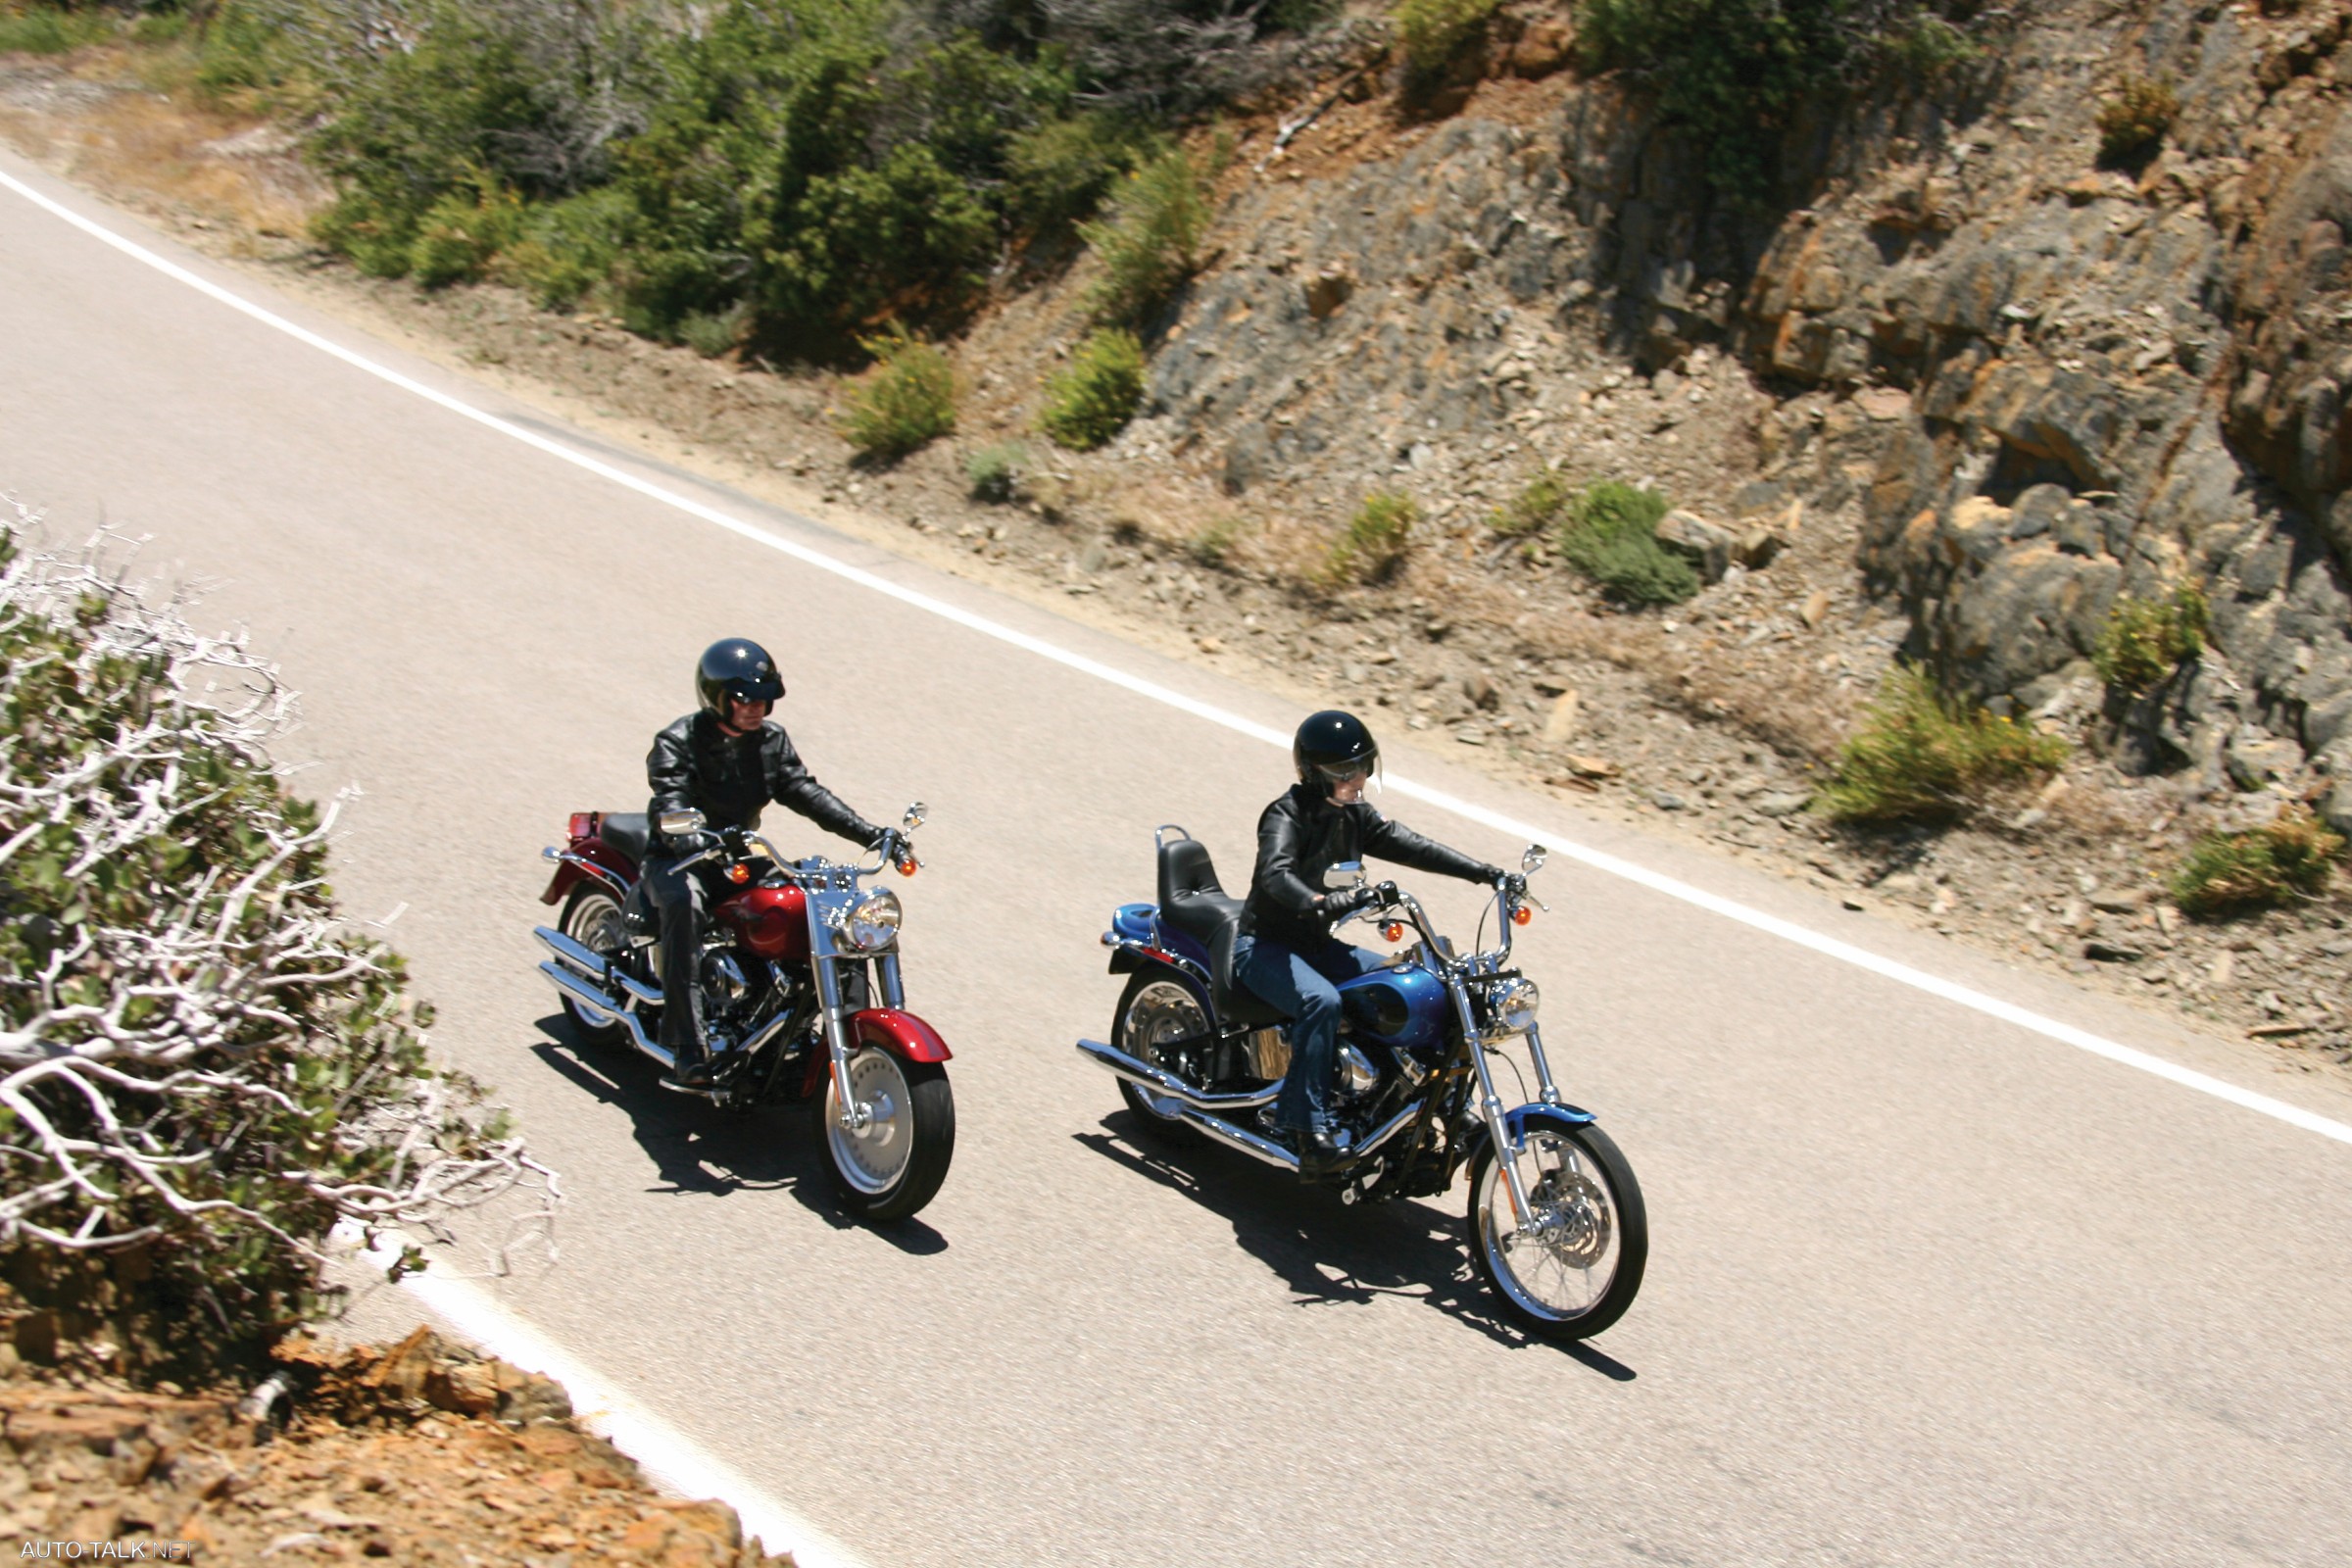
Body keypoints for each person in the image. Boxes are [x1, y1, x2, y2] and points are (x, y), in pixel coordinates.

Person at [1236, 710, 1506, 1177]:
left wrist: (1483, 872)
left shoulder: (1354, 814)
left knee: (1418, 988)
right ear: (1313, 774)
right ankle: (1308, 1129)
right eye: (1345, 772)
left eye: (1363, 766)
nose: (1358, 777)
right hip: (1265, 946)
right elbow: (1275, 875)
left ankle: (1446, 1112)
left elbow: (1410, 844)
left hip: (1318, 946)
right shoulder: (1285, 814)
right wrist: (1322, 900)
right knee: (1321, 1003)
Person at [643, 638, 901, 1090]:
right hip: (684, 858)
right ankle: (687, 1048)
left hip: (739, 854)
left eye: (764, 698)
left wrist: (871, 833)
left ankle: (844, 1035)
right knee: (686, 909)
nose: (755, 708)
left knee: (831, 906)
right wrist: (688, 834)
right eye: (744, 698)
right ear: (716, 696)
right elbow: (669, 801)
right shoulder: (678, 741)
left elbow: (805, 792)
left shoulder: (770, 741)